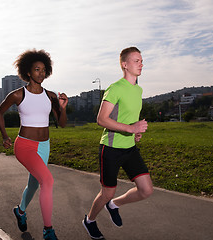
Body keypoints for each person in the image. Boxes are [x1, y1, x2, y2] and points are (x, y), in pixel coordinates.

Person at [0, 49, 68, 240]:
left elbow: (61, 124)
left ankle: (20, 211)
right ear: (28, 72)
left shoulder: (51, 96)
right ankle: (48, 230)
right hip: (25, 146)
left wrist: (61, 108)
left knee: (35, 184)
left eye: (44, 70)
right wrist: (4, 136)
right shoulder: (17, 95)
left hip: (44, 145)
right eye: (37, 70)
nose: (41, 73)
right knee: (48, 181)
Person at [82, 47, 153, 239]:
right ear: (124, 64)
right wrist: (131, 128)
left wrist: (136, 133)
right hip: (111, 149)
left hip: (129, 148)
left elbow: (130, 119)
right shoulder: (115, 88)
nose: (141, 64)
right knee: (107, 193)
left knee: (146, 190)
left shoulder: (138, 90)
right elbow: (102, 119)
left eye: (141, 61)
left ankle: (115, 205)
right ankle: (89, 221)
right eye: (137, 61)